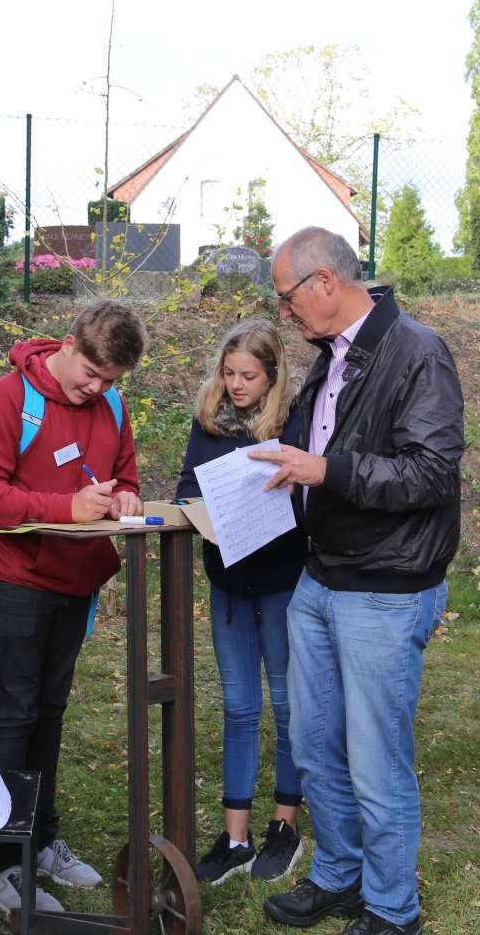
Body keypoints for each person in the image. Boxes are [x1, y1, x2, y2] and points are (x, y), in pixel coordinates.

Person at [250, 227, 464, 935]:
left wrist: (326, 471)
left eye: (287, 297)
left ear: (325, 283)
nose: (285, 313)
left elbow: (431, 475)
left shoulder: (417, 351)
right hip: (321, 577)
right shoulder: (333, 355)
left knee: (376, 760)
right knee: (313, 745)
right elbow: (330, 451)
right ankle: (341, 875)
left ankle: (392, 910)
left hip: (385, 585)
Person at [0, 299, 148, 915]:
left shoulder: (112, 405)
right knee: (13, 712)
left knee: (49, 709)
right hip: (15, 577)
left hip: (75, 580)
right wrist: (63, 508)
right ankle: (0, 865)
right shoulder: (9, 398)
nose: (95, 389)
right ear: (69, 344)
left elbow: (125, 474)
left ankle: (39, 840)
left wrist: (123, 498)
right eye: (90, 374)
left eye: (109, 382)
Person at [174, 318, 308, 885]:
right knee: (237, 707)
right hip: (228, 586)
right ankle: (235, 838)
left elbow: (311, 498)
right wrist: (203, 510)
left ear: (272, 375)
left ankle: (284, 827)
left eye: (248, 375)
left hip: (282, 582)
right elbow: (186, 487)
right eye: (228, 373)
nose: (235, 384)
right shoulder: (209, 422)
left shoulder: (295, 421)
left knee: (286, 705)